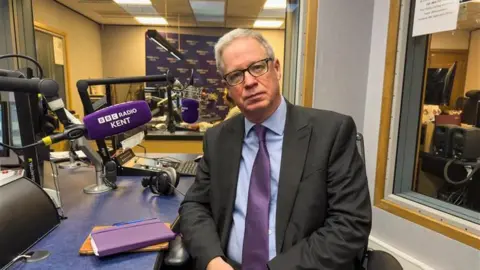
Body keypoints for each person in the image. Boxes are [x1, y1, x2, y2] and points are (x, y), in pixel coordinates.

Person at [179, 28, 372, 270]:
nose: (249, 82)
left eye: (257, 67)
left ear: (277, 68)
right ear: (227, 86)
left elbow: (350, 223)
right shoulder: (218, 139)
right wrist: (211, 259)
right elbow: (195, 205)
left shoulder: (331, 132)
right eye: (236, 76)